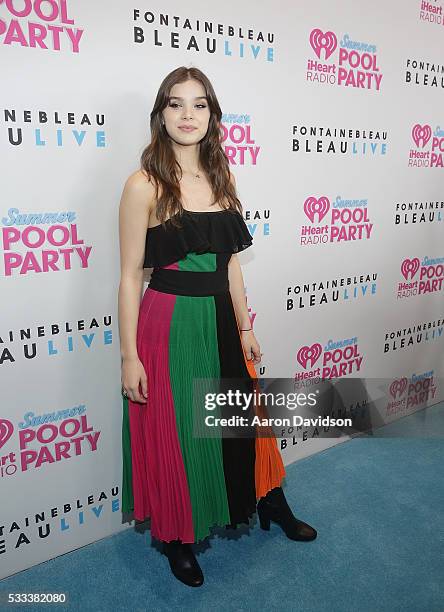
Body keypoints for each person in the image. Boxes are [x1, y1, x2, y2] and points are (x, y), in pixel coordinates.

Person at [118, 66, 317, 588]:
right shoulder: (143, 184)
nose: (189, 115)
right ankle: (178, 538)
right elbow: (127, 277)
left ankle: (271, 501)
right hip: (170, 323)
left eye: (200, 104)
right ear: (161, 114)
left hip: (224, 323)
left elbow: (228, 263)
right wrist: (128, 357)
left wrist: (246, 325)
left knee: (246, 421)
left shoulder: (222, 177)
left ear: (213, 114)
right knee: (183, 431)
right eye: (177, 104)